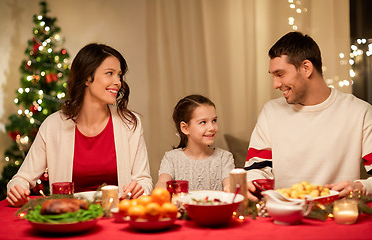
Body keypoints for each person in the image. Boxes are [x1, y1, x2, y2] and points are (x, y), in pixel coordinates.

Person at [6, 43, 153, 206]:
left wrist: (140, 188)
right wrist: (16, 189)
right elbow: (21, 179)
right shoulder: (53, 125)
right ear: (87, 78)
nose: (117, 82)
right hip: (70, 218)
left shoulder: (130, 123)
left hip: (116, 217)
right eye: (109, 73)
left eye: (119, 75)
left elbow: (144, 181)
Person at [245, 31, 372, 202]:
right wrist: (251, 184)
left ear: (306, 68)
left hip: (337, 218)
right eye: (273, 76)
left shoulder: (360, 112)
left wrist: (361, 187)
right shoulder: (271, 112)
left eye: (280, 74)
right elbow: (255, 169)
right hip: (285, 216)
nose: (275, 84)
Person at [155, 94, 235, 192]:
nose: (212, 128)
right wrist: (161, 191)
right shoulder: (171, 158)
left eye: (214, 120)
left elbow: (229, 184)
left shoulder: (224, 158)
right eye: (203, 122)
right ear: (185, 128)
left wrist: (230, 188)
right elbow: (162, 183)